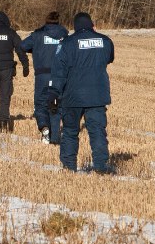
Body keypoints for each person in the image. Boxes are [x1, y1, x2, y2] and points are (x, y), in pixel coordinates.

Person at [47, 12, 115, 173]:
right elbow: (109, 58)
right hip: (97, 96)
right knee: (97, 132)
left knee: (70, 132)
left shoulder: (67, 44)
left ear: (75, 27)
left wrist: (53, 93)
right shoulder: (105, 41)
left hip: (72, 97)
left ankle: (69, 167)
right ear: (92, 25)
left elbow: (58, 72)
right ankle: (101, 167)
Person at [21, 11, 68, 144]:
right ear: (58, 21)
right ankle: (55, 137)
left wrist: (35, 48)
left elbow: (23, 46)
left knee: (41, 104)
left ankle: (44, 127)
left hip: (42, 76)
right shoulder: (64, 35)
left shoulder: (37, 34)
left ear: (46, 21)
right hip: (59, 76)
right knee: (56, 105)